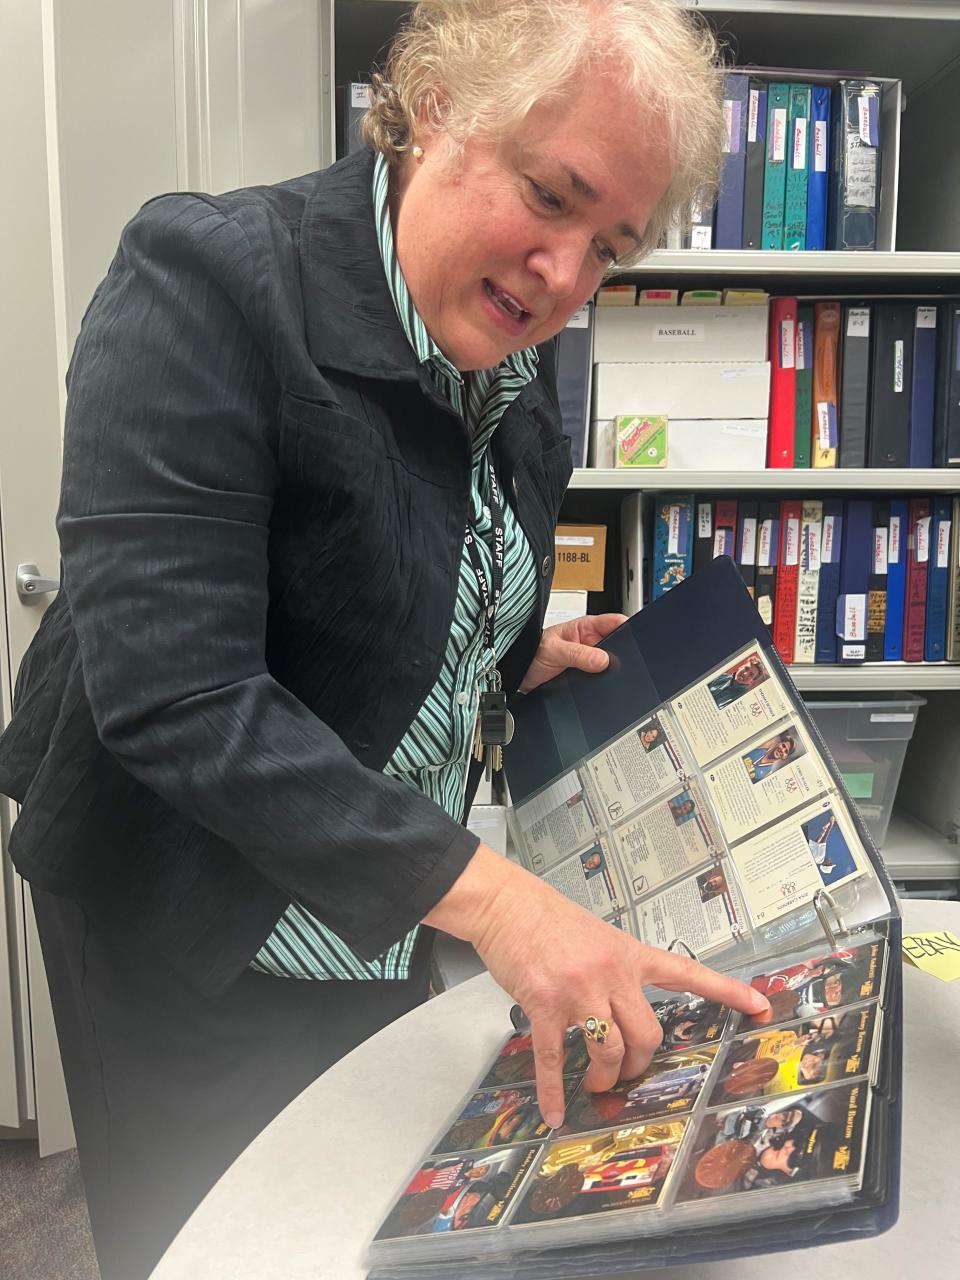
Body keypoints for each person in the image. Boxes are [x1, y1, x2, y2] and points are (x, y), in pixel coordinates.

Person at [0, 1, 767, 1274]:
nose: (567, 275)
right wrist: (504, 904)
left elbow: (411, 557)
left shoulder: (514, 363)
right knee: (217, 1227)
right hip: (179, 895)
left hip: (371, 893)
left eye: (611, 246)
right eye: (550, 194)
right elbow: (177, 692)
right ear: (434, 110)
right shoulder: (210, 277)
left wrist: (508, 653)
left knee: (360, 1203)